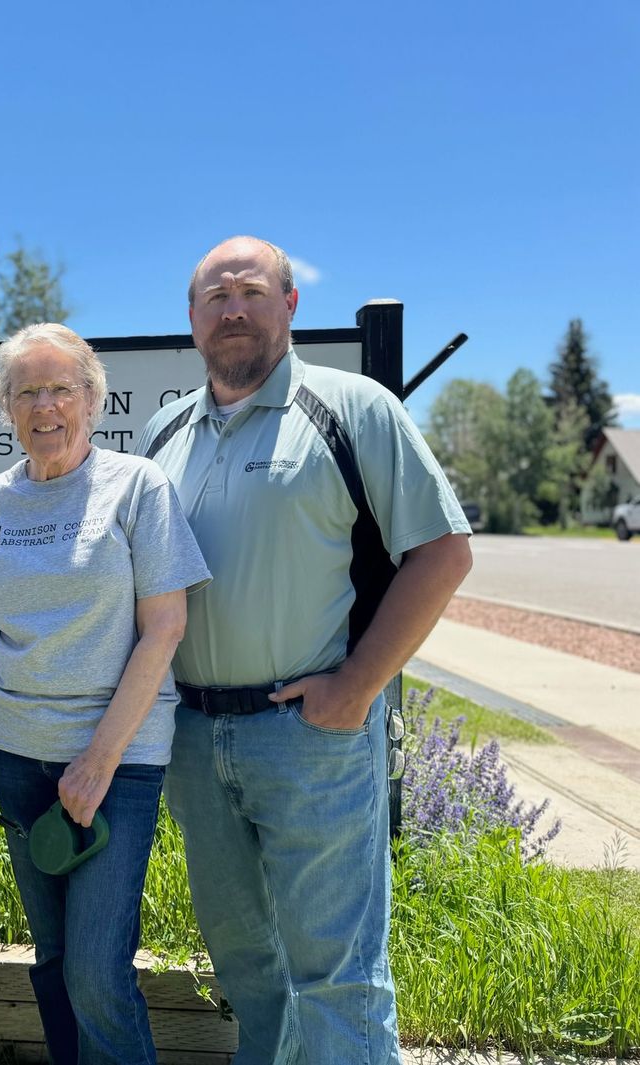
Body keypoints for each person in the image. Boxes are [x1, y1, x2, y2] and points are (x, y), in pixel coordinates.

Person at [137, 236, 474, 1064]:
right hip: (193, 740)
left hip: (311, 736)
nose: (233, 309)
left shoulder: (353, 408)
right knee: (249, 967)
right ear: (192, 320)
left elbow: (444, 551)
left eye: (251, 291)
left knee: (339, 976)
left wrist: (359, 684)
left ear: (291, 305)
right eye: (215, 297)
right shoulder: (162, 433)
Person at [0, 324, 210, 1065]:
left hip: (116, 764)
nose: (45, 404)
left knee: (96, 968)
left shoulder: (136, 486)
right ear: (5, 408)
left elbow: (165, 626)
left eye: (61, 387)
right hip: (18, 759)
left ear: (93, 398)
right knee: (55, 958)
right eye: (27, 390)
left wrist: (98, 760)